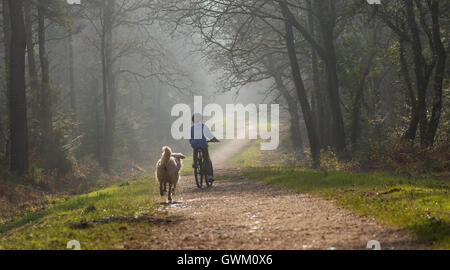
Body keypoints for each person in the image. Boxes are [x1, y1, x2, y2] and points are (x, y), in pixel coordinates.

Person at [189, 113, 219, 181]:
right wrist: (215, 140)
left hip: (195, 144)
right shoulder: (204, 126)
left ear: (193, 121)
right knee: (206, 158)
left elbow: (191, 137)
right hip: (203, 144)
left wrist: (191, 142)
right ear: (201, 119)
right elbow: (210, 135)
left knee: (195, 150)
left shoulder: (192, 128)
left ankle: (195, 162)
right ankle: (209, 176)